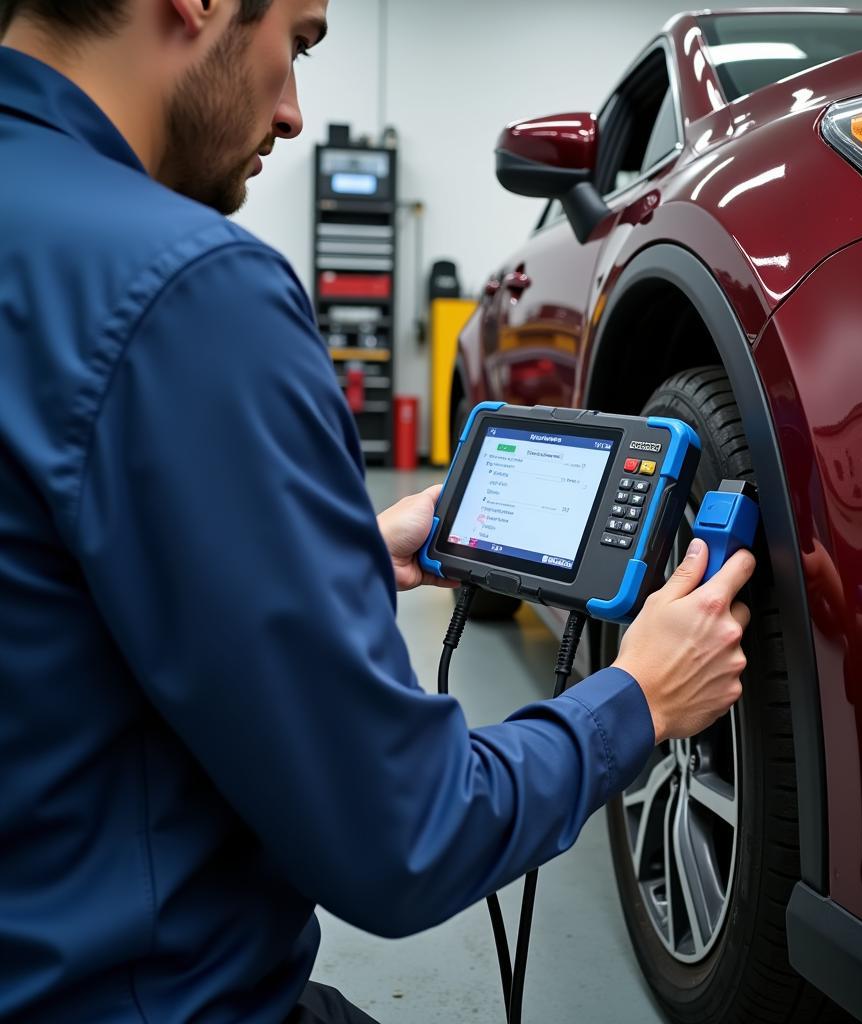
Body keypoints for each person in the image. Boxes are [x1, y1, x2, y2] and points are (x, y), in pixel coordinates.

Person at [0, 1, 755, 1021]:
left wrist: (329, 554)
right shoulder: (188, 291)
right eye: (299, 42)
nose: (297, 114)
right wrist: (640, 698)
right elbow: (406, 835)